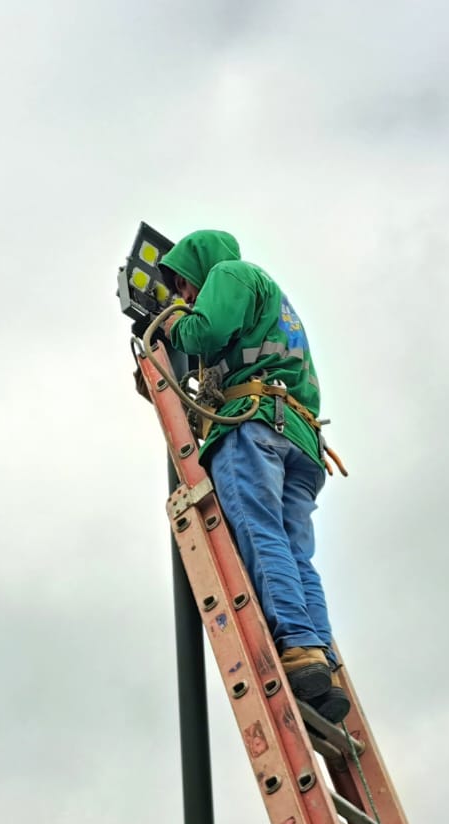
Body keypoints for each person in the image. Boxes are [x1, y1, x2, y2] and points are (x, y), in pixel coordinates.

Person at [156, 229, 349, 723]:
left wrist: (173, 324)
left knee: (260, 532)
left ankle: (298, 645)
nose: (184, 296)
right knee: (295, 551)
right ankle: (318, 661)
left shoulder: (229, 273)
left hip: (254, 425)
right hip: (298, 437)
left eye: (184, 284)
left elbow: (203, 333)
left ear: (200, 265)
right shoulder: (274, 302)